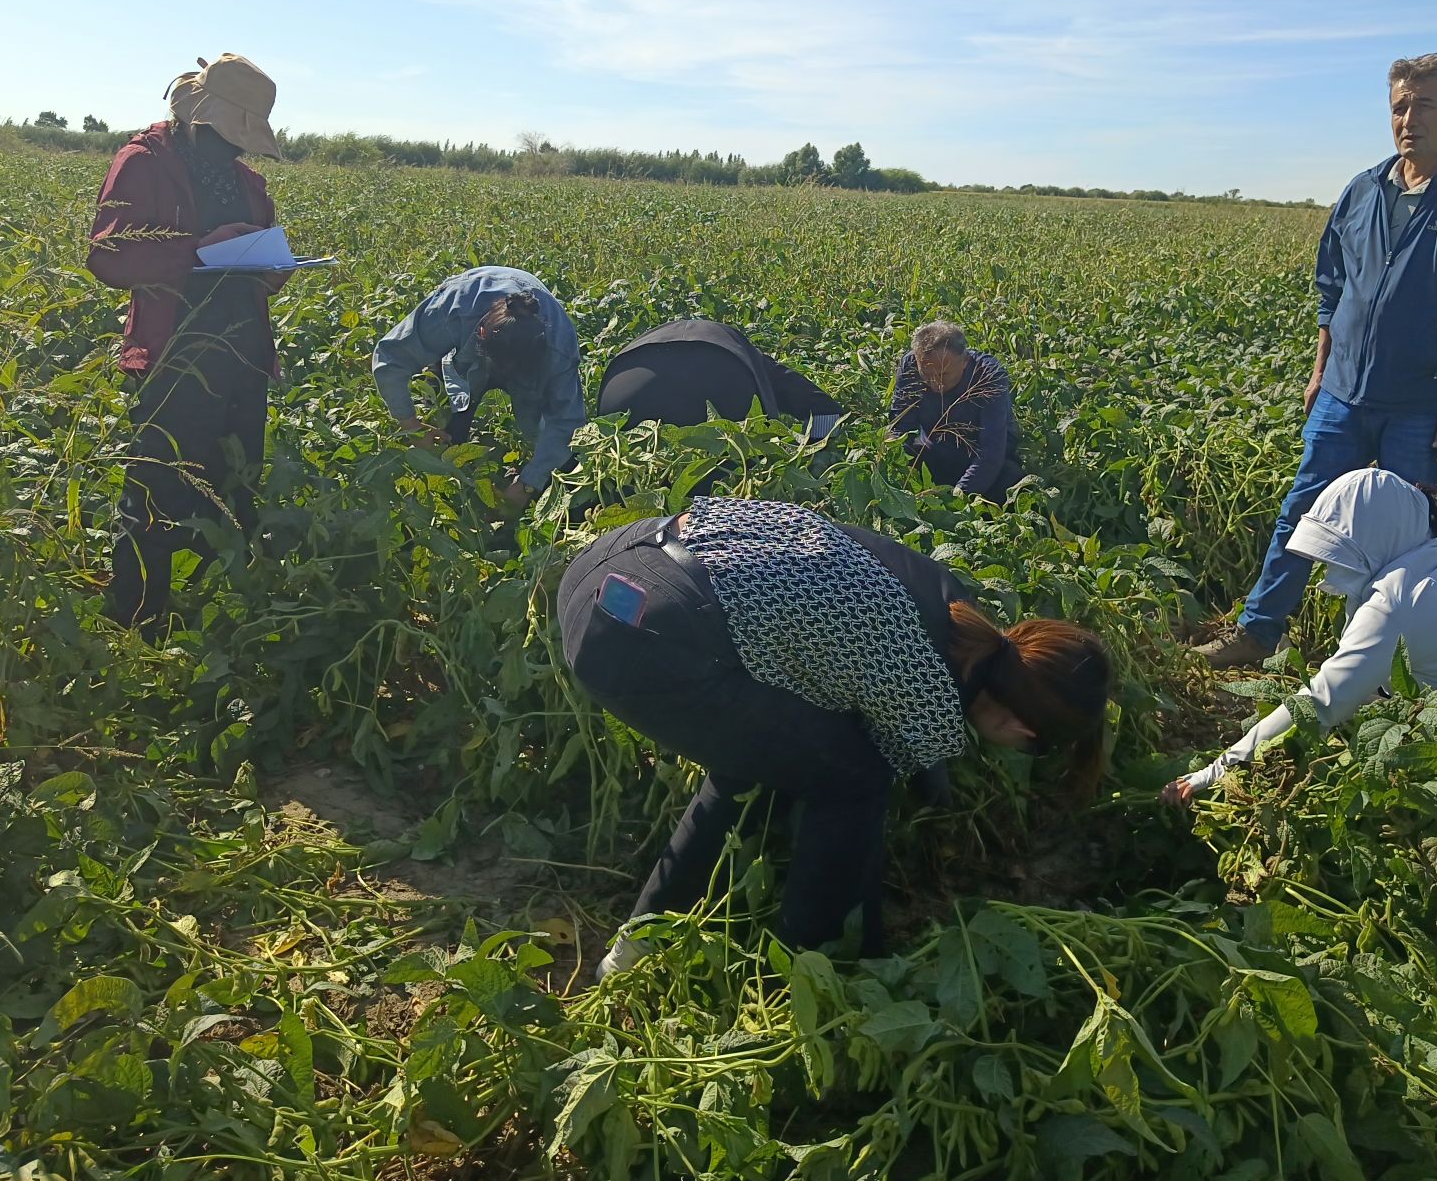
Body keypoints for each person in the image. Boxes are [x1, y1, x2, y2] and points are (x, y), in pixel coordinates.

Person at [556, 496, 1111, 973]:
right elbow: (872, 776)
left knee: (769, 757)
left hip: (609, 566)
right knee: (853, 783)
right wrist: (871, 941)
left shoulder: (952, 606)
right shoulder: (931, 694)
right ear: (1021, 726)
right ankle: (821, 966)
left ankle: (638, 943)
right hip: (633, 638)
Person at [1196, 53, 1437, 668]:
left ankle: (1382, 665)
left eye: (1425, 105)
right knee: (1304, 513)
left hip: (1421, 405)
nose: (1409, 119)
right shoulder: (1364, 189)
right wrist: (1320, 370)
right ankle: (1257, 633)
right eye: (1400, 106)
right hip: (1343, 394)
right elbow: (1333, 286)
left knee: (1406, 541)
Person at [1165, 469, 1437, 817]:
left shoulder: (1395, 601)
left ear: (1374, 538)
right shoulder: (1433, 570)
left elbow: (1321, 702)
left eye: (1341, 550)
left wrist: (1215, 772)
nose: (1329, 567)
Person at [86, 54, 290, 636]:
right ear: (197, 119)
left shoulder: (249, 184)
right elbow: (108, 256)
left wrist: (272, 266)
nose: (236, 148)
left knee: (233, 486)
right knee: (157, 491)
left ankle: (209, 613)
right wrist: (200, 247)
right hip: (173, 353)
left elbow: (259, 271)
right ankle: (140, 621)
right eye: (228, 134)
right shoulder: (144, 163)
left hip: (242, 353)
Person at [370, 266, 585, 510]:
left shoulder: (558, 348)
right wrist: (410, 425)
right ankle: (452, 483)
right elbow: (390, 358)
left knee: (559, 454)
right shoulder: (454, 309)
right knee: (450, 427)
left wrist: (528, 483)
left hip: (531, 356)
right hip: (466, 326)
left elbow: (566, 421)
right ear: (481, 332)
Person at [596, 318, 843, 435]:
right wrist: (809, 451)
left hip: (622, 384)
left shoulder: (647, 338)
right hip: (723, 381)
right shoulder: (746, 354)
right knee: (724, 481)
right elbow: (825, 410)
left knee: (624, 476)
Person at [887, 321, 1022, 501]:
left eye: (943, 374)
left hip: (982, 459)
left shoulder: (988, 375)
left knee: (1009, 481)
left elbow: (991, 452)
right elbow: (901, 428)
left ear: (965, 361)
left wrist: (958, 498)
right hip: (935, 450)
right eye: (926, 374)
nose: (935, 383)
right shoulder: (910, 365)